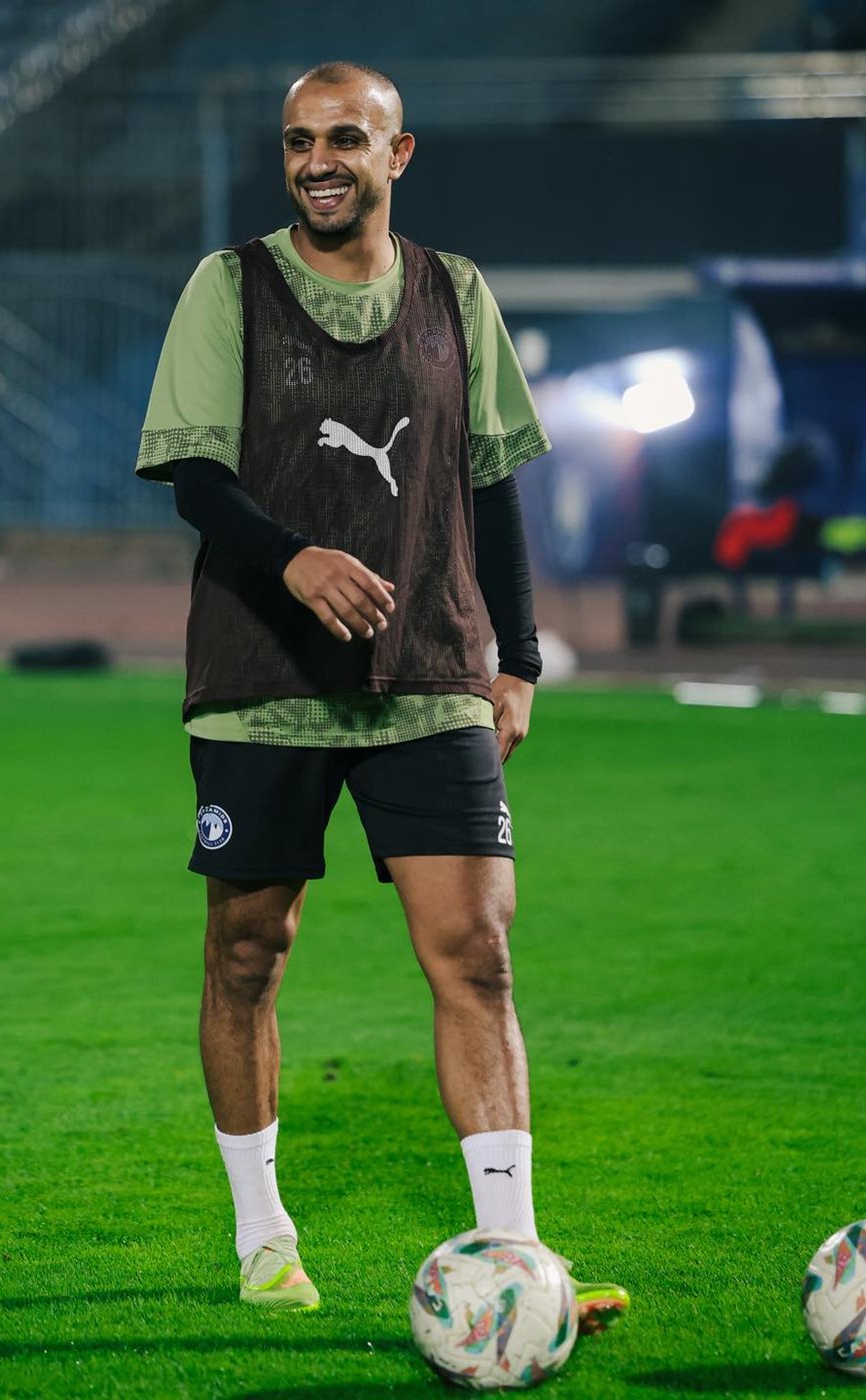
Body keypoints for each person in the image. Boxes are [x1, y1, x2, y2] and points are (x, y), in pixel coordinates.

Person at [136, 60, 628, 1329]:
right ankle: (263, 1236)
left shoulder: (454, 292)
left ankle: (514, 1253)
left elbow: (492, 481)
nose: (317, 161)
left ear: (395, 155)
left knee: (478, 953)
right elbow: (195, 476)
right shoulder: (227, 285)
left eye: (345, 139)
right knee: (248, 950)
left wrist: (516, 656)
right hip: (262, 678)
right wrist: (292, 558)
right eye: (299, 140)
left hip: (431, 671)